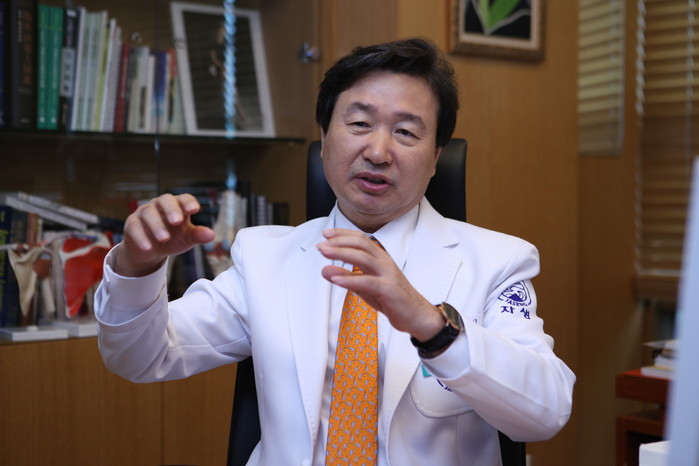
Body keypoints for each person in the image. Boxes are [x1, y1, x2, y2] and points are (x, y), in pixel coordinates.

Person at [95, 37, 575, 465]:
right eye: (360, 123)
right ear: (324, 139)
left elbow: (547, 412)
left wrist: (431, 325)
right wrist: (138, 265)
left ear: (435, 158)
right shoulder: (264, 259)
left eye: (406, 132)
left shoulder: (496, 263)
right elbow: (141, 357)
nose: (379, 152)